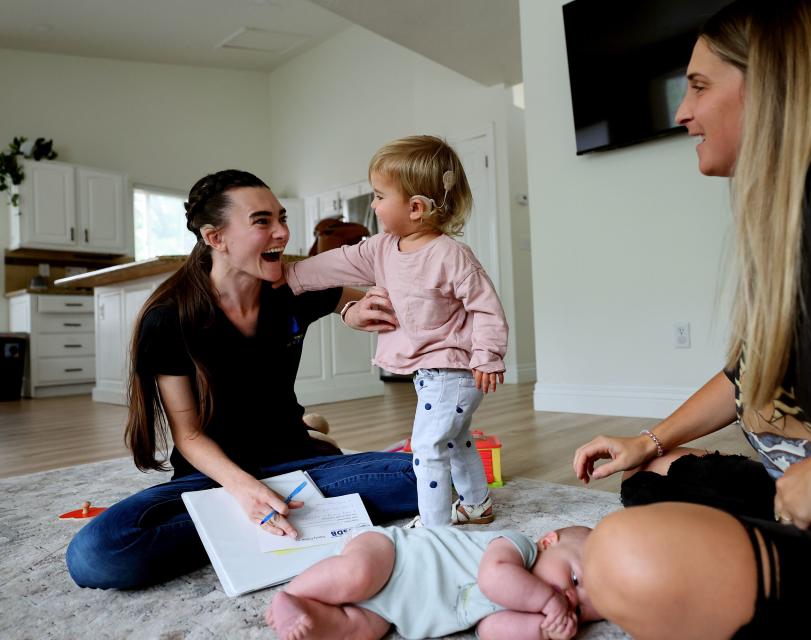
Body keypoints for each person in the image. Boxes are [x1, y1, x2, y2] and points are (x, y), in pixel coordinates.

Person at [571, 0, 811, 637]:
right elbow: (745, 372)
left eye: (698, 86)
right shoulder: (795, 207)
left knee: (625, 558)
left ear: (772, 82)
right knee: (650, 478)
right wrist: (651, 439)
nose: (682, 112)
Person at [65, 170, 418, 589]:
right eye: (262, 221)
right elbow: (189, 436)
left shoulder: (293, 287)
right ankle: (277, 513)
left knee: (429, 477)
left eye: (282, 218)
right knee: (98, 555)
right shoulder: (170, 319)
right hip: (213, 476)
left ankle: (250, 518)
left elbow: (346, 296)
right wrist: (244, 491)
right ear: (216, 238)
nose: (282, 233)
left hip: (297, 461)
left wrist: (349, 311)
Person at [284, 135, 508, 528]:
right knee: (455, 440)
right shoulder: (383, 248)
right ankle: (476, 504)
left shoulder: (451, 255)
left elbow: (485, 306)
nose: (373, 204)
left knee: (427, 448)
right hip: (431, 375)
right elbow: (337, 262)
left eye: (379, 195)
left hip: (455, 374)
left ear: (416, 208)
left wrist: (488, 355)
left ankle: (434, 528)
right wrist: (290, 277)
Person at [265, 525, 601, 640]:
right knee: (357, 575)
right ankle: (293, 594)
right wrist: (547, 603)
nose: (572, 597)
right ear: (548, 542)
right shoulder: (519, 548)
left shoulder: (519, 608)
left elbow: (492, 631)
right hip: (394, 556)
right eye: (575, 578)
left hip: (397, 612)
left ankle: (306, 617)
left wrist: (544, 631)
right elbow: (493, 578)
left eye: (582, 608)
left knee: (359, 631)